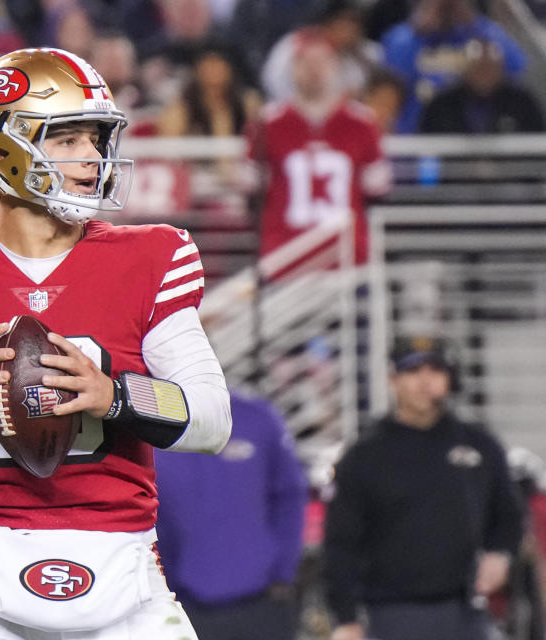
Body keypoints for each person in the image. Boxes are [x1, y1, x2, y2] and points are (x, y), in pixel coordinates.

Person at [0, 47, 232, 639]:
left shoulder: (152, 256)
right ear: (1, 148)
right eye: (67, 140)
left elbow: (213, 421)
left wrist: (113, 395)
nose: (92, 158)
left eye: (95, 139)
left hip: (126, 569)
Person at [324, 335, 525, 640]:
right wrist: (345, 617)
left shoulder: (477, 445)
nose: (425, 381)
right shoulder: (365, 456)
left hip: (467, 610)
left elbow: (508, 514)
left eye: (435, 371)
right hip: (391, 613)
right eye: (413, 371)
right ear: (393, 380)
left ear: (449, 378)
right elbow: (341, 544)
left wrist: (501, 553)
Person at [154, 390, 307, 640]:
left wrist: (282, 569)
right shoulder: (148, 428)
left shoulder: (257, 419)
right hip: (181, 605)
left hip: (260, 603)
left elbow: (289, 496)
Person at [242, 30, 392, 267]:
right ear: (292, 67)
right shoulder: (267, 123)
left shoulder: (362, 123)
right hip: (284, 254)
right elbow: (251, 191)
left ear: (335, 66)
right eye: (305, 61)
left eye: (321, 61)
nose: (314, 70)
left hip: (347, 255)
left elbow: (376, 191)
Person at [381, 0, 527, 133]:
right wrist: (416, 32)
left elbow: (516, 68)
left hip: (466, 135)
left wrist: (474, 24)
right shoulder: (405, 38)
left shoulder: (481, 34)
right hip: (414, 135)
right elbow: (390, 76)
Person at [419, 38, 545, 134]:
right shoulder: (441, 104)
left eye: (491, 68)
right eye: (479, 68)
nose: (485, 75)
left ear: (501, 69)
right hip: (456, 168)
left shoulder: (522, 102)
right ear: (466, 70)